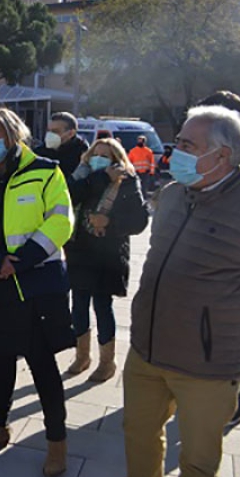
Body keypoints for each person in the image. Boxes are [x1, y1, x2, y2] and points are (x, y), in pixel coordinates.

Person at [83, 106, 240, 477]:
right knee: (138, 433)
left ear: (224, 156)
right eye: (178, 141)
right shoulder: (174, 193)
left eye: (188, 145)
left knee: (197, 458)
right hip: (147, 348)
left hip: (209, 363)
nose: (175, 151)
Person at [0, 107, 74, 477]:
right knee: (0, 359)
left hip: (34, 281)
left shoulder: (45, 171)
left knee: (42, 365)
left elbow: (61, 218)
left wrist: (21, 260)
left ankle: (56, 442)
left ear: (14, 135)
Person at [65, 138, 149, 382]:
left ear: (117, 160)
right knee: (78, 305)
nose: (99, 160)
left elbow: (139, 221)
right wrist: (99, 178)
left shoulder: (128, 181)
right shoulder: (83, 177)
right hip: (79, 251)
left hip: (107, 255)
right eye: (95, 154)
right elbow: (69, 197)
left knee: (102, 306)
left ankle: (107, 362)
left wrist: (110, 223)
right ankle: (82, 356)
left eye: (106, 156)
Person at [195, 90, 240, 428]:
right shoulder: (204, 157)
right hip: (200, 264)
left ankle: (232, 402)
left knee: (227, 340)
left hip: (230, 273)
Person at [34, 111, 88, 181]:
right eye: (48, 131)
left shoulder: (83, 154)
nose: (50, 134)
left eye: (55, 131)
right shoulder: (38, 153)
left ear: (71, 133)